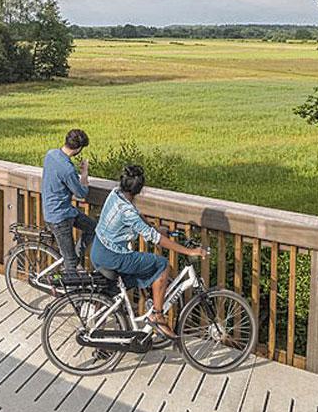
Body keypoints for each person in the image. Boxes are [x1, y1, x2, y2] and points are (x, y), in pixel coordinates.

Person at [91, 164, 205, 337]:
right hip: (113, 256)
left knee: (116, 287)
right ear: (139, 189)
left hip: (98, 250)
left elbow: (138, 216)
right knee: (161, 264)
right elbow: (155, 238)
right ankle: (157, 315)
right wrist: (189, 252)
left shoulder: (115, 194)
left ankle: (97, 332)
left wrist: (153, 227)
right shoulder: (127, 210)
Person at [41, 129, 96, 272]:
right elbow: (81, 193)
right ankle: (70, 291)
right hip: (60, 218)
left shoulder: (50, 154)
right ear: (78, 149)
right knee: (70, 263)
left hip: (60, 211)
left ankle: (76, 256)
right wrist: (84, 173)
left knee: (93, 228)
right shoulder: (67, 169)